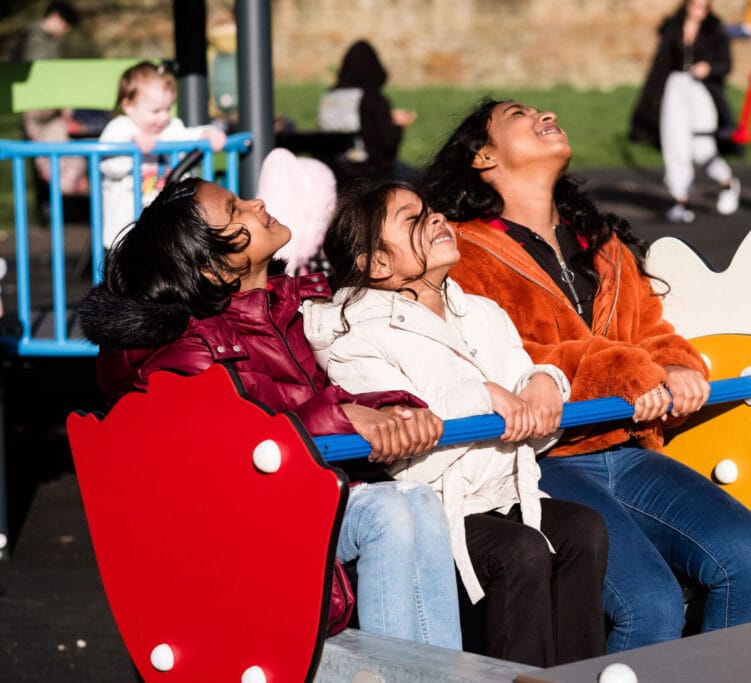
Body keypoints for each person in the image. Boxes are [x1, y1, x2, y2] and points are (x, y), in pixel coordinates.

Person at [419, 99, 751, 653]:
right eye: (519, 114)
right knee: (648, 603)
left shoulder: (602, 244)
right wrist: (627, 372)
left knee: (745, 554)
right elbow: (501, 354)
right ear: (484, 157)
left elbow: (649, 330)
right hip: (540, 460)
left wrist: (679, 367)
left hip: (627, 450)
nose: (544, 115)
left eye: (542, 110)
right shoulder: (461, 251)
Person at [78, 177, 462, 649]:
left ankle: (432, 670)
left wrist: (386, 408)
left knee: (417, 498)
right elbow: (234, 440)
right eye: (235, 210)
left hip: (312, 495)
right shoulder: (190, 352)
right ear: (213, 269)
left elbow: (325, 394)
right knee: (385, 511)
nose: (257, 203)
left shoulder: (295, 307)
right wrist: (343, 416)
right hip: (250, 529)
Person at [303, 180, 608, 666]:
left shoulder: (481, 312)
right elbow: (405, 450)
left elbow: (526, 402)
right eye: (413, 219)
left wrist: (544, 384)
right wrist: (485, 398)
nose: (438, 219)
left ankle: (579, 672)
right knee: (520, 552)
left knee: (583, 529)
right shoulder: (352, 334)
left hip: (504, 492)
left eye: (432, 210)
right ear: (376, 263)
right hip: (441, 506)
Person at [630, 0, 742, 223]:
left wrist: (708, 68)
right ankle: (681, 199)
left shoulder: (715, 30)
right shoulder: (673, 27)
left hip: (701, 90)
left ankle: (727, 182)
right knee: (675, 143)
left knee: (702, 145)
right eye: (695, 4)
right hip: (674, 88)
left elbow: (725, 64)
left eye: (703, 5)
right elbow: (660, 63)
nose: (699, 9)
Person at [99, 61, 228, 249]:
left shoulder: (170, 127)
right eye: (155, 111)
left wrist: (207, 134)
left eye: (167, 109)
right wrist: (131, 146)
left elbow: (188, 136)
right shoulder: (119, 128)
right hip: (126, 228)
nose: (163, 117)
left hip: (166, 228)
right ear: (128, 106)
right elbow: (109, 166)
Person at [12, 1, 88, 197]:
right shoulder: (38, 40)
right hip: (41, 109)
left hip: (42, 109)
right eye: (66, 26)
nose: (64, 31)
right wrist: (61, 104)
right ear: (56, 17)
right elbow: (41, 77)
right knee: (53, 157)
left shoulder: (40, 39)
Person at [317, 40, 417, 186]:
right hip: (369, 173)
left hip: (335, 169)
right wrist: (398, 125)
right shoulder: (370, 98)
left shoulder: (329, 96)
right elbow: (386, 141)